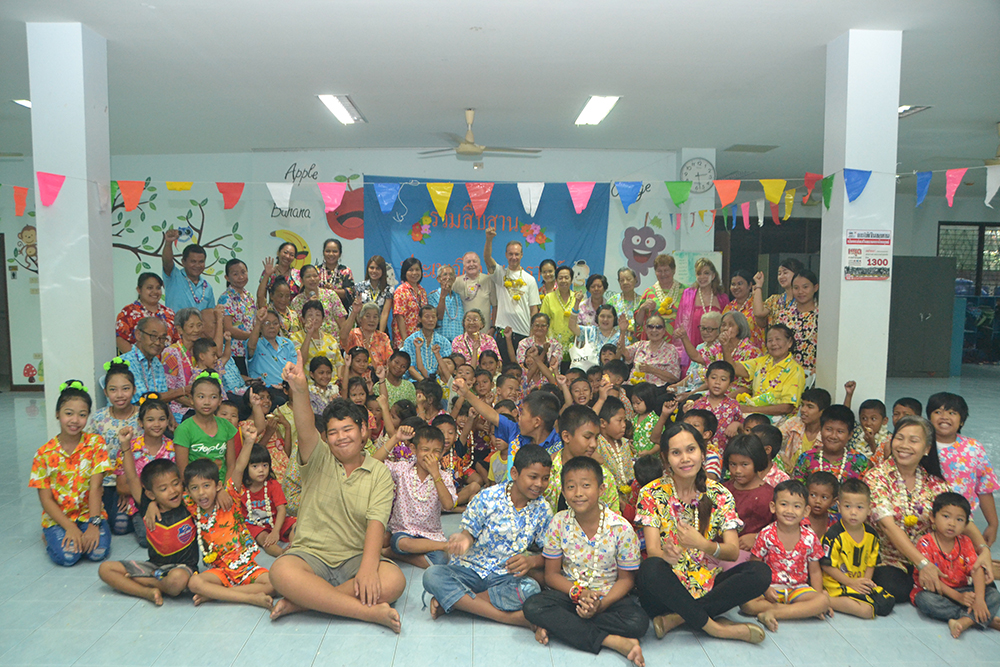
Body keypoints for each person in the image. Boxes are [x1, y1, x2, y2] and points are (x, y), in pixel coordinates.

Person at [268, 355, 406, 632]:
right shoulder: (317, 458)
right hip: (311, 555)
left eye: (348, 429)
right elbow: (306, 426)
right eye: (333, 432)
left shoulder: (378, 472)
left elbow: (376, 525)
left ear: (363, 431)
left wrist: (368, 569)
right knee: (281, 572)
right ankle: (364, 612)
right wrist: (300, 388)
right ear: (326, 437)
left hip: (353, 558)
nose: (341, 437)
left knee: (394, 580)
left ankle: (304, 603)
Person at [635, 423, 770, 643]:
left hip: (705, 582)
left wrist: (704, 544)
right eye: (676, 453)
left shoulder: (720, 493)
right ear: (665, 458)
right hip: (665, 591)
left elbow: (733, 552)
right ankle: (717, 628)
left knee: (760, 572)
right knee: (650, 568)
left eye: (691, 450)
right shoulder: (651, 493)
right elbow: (652, 551)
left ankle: (678, 619)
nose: (685, 458)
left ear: (702, 452)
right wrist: (666, 556)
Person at [523, 456, 648, 666]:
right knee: (533, 607)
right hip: (570, 595)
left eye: (586, 485)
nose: (578, 493)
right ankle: (612, 641)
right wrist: (578, 593)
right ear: (563, 492)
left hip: (609, 598)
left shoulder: (621, 528)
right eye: (571, 487)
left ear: (601, 489)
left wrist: (600, 605)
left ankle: (559, 626)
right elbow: (551, 575)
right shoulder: (559, 522)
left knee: (639, 623)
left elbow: (626, 580)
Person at [422, 444, 553, 627]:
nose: (539, 484)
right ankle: (508, 618)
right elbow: (469, 534)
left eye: (545, 478)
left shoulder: (543, 510)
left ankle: (459, 603)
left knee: (530, 589)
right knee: (432, 575)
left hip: (505, 576)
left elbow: (550, 554)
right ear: (514, 473)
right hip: (471, 570)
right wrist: (464, 540)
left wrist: (531, 561)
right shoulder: (488, 497)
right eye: (533, 477)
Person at [865, 415, 992, 603]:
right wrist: (922, 564)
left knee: (986, 583)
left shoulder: (934, 483)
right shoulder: (876, 478)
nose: (904, 445)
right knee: (896, 589)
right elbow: (888, 527)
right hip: (890, 560)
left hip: (935, 557)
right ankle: (955, 600)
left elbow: (961, 518)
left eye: (913, 440)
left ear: (926, 449)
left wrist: (984, 550)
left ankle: (961, 604)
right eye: (899, 438)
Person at [181, 446, 276, 610]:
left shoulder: (230, 499)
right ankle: (250, 598)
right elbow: (170, 496)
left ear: (217, 486)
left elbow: (239, 468)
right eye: (195, 488)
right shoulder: (192, 505)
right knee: (194, 582)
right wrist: (152, 504)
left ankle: (215, 594)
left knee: (273, 583)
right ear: (188, 491)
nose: (202, 493)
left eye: (206, 486)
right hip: (219, 572)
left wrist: (249, 441)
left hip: (245, 566)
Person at [29, 380, 113, 566]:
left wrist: (93, 524)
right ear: (57, 414)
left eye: (82, 415)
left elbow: (96, 487)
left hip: (89, 514)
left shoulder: (95, 444)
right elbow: (46, 499)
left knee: (97, 553)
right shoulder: (43, 454)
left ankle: (85, 531)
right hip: (59, 519)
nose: (75, 420)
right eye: (69, 413)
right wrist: (69, 527)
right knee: (68, 558)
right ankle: (49, 537)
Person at [98, 459, 196, 606]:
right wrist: (125, 446)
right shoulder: (147, 508)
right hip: (154, 568)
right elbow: (131, 478)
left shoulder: (189, 506)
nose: (172, 491)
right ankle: (147, 592)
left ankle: (138, 580)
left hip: (182, 568)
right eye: (163, 489)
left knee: (177, 581)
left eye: (175, 484)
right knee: (105, 569)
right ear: (150, 494)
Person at [741, 479, 831, 632]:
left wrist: (817, 597)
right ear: (773, 507)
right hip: (771, 589)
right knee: (747, 604)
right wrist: (766, 588)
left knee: (823, 600)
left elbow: (815, 571)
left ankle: (773, 613)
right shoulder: (766, 534)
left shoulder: (810, 536)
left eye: (796, 506)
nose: (790, 511)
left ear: (806, 511)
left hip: (799, 590)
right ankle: (798, 611)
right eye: (784, 504)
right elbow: (755, 566)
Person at [912, 491, 1000, 637]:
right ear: (933, 518)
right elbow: (933, 581)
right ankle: (981, 618)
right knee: (924, 600)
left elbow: (976, 569)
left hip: (963, 589)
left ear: (966, 524)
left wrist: (978, 599)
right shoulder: (926, 543)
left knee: (993, 595)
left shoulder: (965, 542)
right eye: (946, 517)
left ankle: (965, 621)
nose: (952, 523)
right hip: (939, 591)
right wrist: (959, 598)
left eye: (959, 520)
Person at [926, 392, 999, 546]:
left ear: (962, 422)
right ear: (928, 418)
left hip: (962, 525)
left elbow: (984, 487)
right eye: (938, 412)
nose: (944, 417)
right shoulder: (921, 446)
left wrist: (993, 524)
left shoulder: (973, 448)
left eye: (952, 413)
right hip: (924, 522)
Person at [820, 477, 895, 618]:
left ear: (869, 509)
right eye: (847, 506)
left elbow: (871, 563)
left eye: (859, 507)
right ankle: (825, 600)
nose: (853, 512)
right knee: (867, 611)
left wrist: (865, 584)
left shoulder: (872, 535)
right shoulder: (833, 535)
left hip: (858, 582)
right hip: (837, 584)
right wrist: (850, 582)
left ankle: (854, 598)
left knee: (887, 602)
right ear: (839, 506)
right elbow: (826, 566)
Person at [384, 425, 457, 568]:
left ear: (442, 453)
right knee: (401, 542)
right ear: (413, 449)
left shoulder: (444, 477)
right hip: (403, 532)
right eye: (425, 450)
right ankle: (444, 546)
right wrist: (396, 438)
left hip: (431, 535)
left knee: (440, 561)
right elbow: (375, 462)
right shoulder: (403, 469)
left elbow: (448, 506)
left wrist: (436, 475)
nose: (430, 455)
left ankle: (392, 554)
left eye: (436, 451)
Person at [85, 359, 140, 535]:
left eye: (125, 388)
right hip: (106, 483)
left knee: (121, 526)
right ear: (105, 392)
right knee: (112, 523)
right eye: (113, 390)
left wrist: (128, 487)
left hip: (135, 481)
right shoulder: (99, 419)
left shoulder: (142, 416)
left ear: (134, 390)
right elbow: (89, 453)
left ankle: (136, 512)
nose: (120, 395)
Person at [112, 396, 173, 547]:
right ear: (141, 422)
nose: (157, 424)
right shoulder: (129, 448)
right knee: (148, 540)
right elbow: (121, 486)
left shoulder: (173, 448)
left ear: (167, 421)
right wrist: (150, 501)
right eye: (150, 419)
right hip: (139, 504)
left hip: (168, 503)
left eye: (162, 419)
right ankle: (133, 521)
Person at [453, 377, 562, 461]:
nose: (519, 418)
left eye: (523, 414)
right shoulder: (515, 431)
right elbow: (492, 415)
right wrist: (467, 393)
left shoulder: (560, 447)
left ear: (537, 422)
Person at [543, 405, 620, 513]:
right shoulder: (546, 472)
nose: (594, 444)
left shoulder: (604, 477)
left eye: (596, 438)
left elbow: (614, 521)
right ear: (566, 436)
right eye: (587, 437)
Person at [484, 226, 541, 362]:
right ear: (506, 255)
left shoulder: (530, 279)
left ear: (521, 255)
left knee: (523, 371)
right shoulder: (500, 274)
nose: (513, 257)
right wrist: (489, 239)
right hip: (503, 332)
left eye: (516, 254)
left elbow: (534, 309)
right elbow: (487, 258)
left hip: (524, 333)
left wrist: (532, 335)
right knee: (505, 370)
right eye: (510, 254)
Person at [726, 324, 805, 416]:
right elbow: (733, 369)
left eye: (778, 339)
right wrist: (725, 346)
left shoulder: (795, 370)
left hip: (779, 419)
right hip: (753, 414)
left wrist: (750, 410)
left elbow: (786, 407)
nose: (773, 343)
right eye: (770, 340)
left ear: (789, 343)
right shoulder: (762, 361)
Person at [173, 372, 238, 480]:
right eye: (201, 397)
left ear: (220, 401)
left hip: (223, 489)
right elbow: (183, 472)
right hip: (196, 489)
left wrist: (224, 490)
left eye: (213, 397)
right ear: (191, 399)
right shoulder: (184, 430)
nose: (207, 402)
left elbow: (231, 465)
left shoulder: (226, 426)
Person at [237, 442, 296, 558]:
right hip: (255, 524)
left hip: (275, 520)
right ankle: (283, 554)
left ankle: (295, 548)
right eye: (255, 466)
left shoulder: (273, 485)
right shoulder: (241, 488)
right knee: (263, 538)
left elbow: (282, 510)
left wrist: (276, 531)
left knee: (296, 525)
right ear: (245, 468)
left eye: (265, 465)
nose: (261, 470)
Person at [722, 434, 774, 561]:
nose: (737, 470)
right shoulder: (721, 490)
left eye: (744, 464)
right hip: (719, 550)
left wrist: (757, 537)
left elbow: (783, 528)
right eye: (733, 464)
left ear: (756, 462)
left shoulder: (769, 495)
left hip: (752, 555)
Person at [792, 405, 869, 483]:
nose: (833, 436)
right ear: (821, 430)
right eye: (829, 429)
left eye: (840, 431)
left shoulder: (860, 461)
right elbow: (797, 491)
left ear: (850, 435)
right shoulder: (806, 458)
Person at [120, 317, 186, 408]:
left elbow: (164, 402)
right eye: (153, 336)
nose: (158, 343)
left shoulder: (156, 363)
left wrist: (172, 422)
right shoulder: (125, 363)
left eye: (162, 338)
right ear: (138, 335)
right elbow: (143, 399)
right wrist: (182, 391)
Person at [162, 307, 210, 422]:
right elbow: (170, 390)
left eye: (199, 325)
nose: (196, 330)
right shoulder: (171, 353)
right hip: (180, 406)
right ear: (180, 329)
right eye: (191, 326)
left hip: (202, 403)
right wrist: (195, 405)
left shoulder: (201, 350)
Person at [161, 230, 216, 324]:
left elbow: (210, 315)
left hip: (199, 335)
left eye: (201, 262)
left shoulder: (207, 287)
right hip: (175, 333)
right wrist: (168, 243)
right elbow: (167, 262)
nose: (197, 265)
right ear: (183, 262)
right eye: (193, 261)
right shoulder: (174, 276)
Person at [676, 258, 728, 356]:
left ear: (713, 276)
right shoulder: (688, 294)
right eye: (699, 273)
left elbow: (726, 324)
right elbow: (680, 321)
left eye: (706, 273)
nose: (702, 277)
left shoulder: (722, 297)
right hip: (692, 340)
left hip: (716, 346)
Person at [115, 272, 177, 353]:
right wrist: (137, 361)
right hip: (138, 363)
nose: (155, 292)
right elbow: (120, 339)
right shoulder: (128, 312)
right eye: (150, 288)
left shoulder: (169, 313)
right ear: (139, 290)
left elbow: (177, 341)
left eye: (158, 288)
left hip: (167, 363)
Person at [774, 269, 819, 377]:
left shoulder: (824, 316)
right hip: (787, 374)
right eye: (796, 288)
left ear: (815, 287)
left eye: (805, 287)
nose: (800, 292)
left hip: (815, 374)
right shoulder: (783, 315)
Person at [691, 361, 743, 451]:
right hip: (701, 453)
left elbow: (743, 428)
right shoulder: (698, 404)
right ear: (706, 380)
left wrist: (737, 424)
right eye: (714, 378)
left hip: (725, 454)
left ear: (730, 384)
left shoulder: (733, 405)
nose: (717, 382)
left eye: (723, 379)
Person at [217, 258, 256, 375]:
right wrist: (251, 336)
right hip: (234, 352)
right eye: (235, 274)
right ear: (227, 278)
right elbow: (228, 328)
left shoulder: (249, 295)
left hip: (251, 351)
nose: (241, 277)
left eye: (243, 272)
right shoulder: (225, 298)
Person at [778, 387, 831, 470]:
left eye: (810, 407)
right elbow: (772, 439)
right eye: (802, 405)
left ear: (822, 412)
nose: (803, 410)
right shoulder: (794, 422)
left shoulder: (828, 434)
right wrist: (782, 456)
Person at [621, 314, 680, 387]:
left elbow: (675, 378)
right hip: (633, 385)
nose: (654, 330)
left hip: (655, 389)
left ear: (664, 330)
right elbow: (624, 353)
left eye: (658, 327)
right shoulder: (640, 345)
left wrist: (652, 370)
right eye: (651, 327)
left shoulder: (670, 349)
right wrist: (622, 331)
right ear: (645, 329)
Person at [292, 265, 348, 339]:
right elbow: (297, 327)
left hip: (332, 345)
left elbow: (342, 324)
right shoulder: (296, 302)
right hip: (308, 344)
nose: (312, 279)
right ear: (301, 280)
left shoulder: (330, 295)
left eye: (315, 276)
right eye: (308, 277)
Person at [637, 254, 685, 337]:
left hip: (680, 342)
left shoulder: (685, 291)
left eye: (666, 270)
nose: (663, 274)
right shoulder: (649, 292)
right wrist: (642, 308)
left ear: (673, 270)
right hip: (654, 342)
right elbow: (639, 323)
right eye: (659, 271)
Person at [247, 307, 297, 387]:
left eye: (275, 323)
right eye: (267, 323)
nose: (272, 326)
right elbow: (251, 347)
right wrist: (259, 321)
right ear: (260, 327)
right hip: (265, 389)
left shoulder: (287, 343)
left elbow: (295, 368)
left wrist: (286, 385)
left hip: (288, 388)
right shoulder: (256, 343)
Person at [341, 300, 394, 374]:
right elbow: (343, 336)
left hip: (378, 378)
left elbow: (390, 361)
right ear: (360, 319)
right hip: (356, 379)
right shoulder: (353, 334)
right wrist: (354, 312)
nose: (372, 320)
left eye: (375, 317)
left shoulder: (383, 337)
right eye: (368, 316)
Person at [751, 257, 805, 327]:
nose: (781, 277)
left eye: (785, 273)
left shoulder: (803, 299)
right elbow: (758, 313)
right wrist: (758, 285)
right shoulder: (774, 300)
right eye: (779, 274)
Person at [402, 305, 452, 380]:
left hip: (439, 382)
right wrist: (424, 383)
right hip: (416, 381)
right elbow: (410, 369)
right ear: (419, 319)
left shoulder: (445, 342)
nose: (431, 320)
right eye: (427, 317)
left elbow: (446, 369)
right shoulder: (410, 341)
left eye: (433, 317)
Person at [723, 269, 765, 350]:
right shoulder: (729, 307)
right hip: (732, 352)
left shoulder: (756, 304)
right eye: (733, 284)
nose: (736, 287)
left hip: (754, 352)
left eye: (740, 284)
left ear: (750, 285)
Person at [392, 257, 429, 348]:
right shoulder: (401, 290)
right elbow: (399, 317)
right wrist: (406, 340)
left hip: (420, 338)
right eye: (410, 270)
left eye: (417, 270)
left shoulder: (422, 291)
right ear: (405, 272)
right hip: (405, 338)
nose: (414, 273)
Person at [297, 300, 343, 372]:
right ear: (303, 319)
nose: (314, 318)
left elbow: (339, 364)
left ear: (323, 319)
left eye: (318, 315)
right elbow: (300, 362)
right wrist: (309, 334)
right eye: (310, 315)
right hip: (308, 382)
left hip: (333, 382)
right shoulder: (296, 337)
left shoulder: (331, 339)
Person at [540, 265, 579, 350]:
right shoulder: (549, 298)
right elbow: (542, 321)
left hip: (574, 347)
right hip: (553, 347)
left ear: (571, 280)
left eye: (566, 278)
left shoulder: (577, 299)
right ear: (556, 280)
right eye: (560, 278)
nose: (563, 281)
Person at [453, 251, 494, 332]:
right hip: (463, 333)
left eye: (474, 261)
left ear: (479, 264)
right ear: (464, 266)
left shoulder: (488, 280)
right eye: (468, 262)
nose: (471, 264)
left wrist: (493, 328)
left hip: (484, 332)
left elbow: (495, 306)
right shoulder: (456, 282)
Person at [355, 255, 393, 333]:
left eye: (378, 268)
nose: (374, 271)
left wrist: (380, 335)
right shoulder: (359, 287)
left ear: (383, 271)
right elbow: (357, 311)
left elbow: (385, 314)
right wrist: (363, 330)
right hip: (362, 329)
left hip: (380, 328)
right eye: (371, 268)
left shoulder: (388, 289)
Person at [429, 264, 464, 342]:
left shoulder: (458, 297)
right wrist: (443, 296)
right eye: (445, 274)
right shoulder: (432, 297)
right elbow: (438, 316)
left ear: (454, 279)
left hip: (458, 343)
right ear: (439, 279)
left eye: (451, 275)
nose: (448, 277)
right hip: (440, 342)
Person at [316, 238, 355, 307]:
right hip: (318, 312)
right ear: (323, 253)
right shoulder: (316, 271)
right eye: (328, 251)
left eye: (334, 251)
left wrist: (332, 291)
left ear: (340, 254)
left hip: (340, 313)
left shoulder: (345, 271)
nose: (331, 254)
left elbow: (350, 292)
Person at [607, 267, 642, 341]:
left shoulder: (642, 301)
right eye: (622, 280)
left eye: (628, 279)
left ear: (635, 279)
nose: (625, 282)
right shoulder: (612, 301)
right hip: (616, 342)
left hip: (638, 343)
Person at [264, 277, 303, 343]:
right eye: (280, 296)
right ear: (272, 296)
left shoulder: (294, 315)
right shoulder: (267, 314)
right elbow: (260, 297)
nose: (283, 299)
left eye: (287, 296)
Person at [804, 472, 838, 540]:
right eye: (813, 495)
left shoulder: (836, 523)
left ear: (833, 502)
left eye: (824, 497)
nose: (818, 501)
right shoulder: (798, 520)